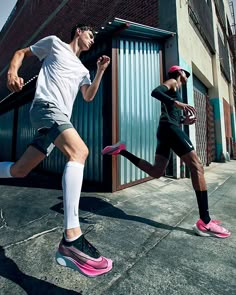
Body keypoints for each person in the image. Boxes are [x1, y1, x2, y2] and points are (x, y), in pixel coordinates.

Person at [0, 24, 112, 277]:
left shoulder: (83, 69)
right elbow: (20, 52)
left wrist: (100, 72)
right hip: (46, 108)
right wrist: (12, 72)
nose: (93, 40)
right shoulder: (54, 44)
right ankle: (71, 239)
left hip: (58, 118)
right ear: (79, 32)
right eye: (91, 35)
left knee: (20, 170)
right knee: (79, 152)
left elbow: (88, 96)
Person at [102, 65, 231, 239]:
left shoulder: (177, 90)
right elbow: (155, 92)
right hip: (169, 129)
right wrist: (175, 102)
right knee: (197, 166)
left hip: (168, 129)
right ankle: (205, 222)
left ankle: (122, 151)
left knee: (157, 172)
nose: (187, 75)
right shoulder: (172, 82)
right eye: (186, 72)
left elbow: (173, 115)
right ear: (179, 73)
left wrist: (184, 121)